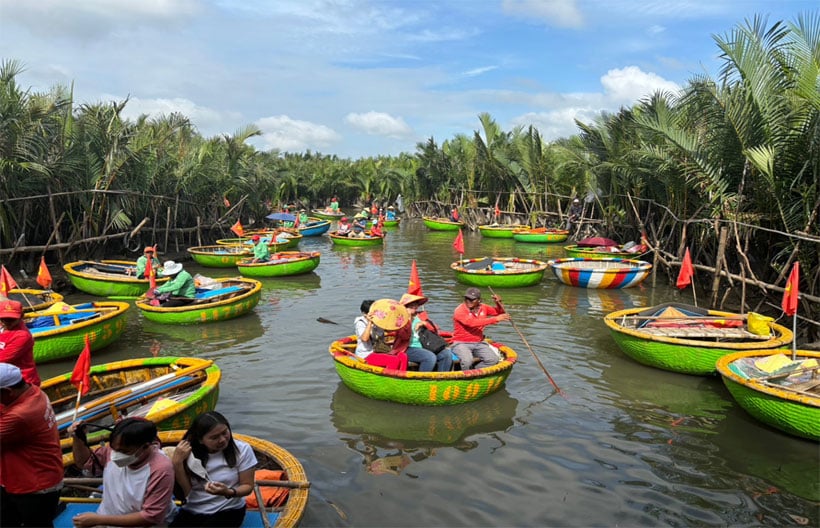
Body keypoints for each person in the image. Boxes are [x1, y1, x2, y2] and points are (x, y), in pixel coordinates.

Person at [69, 417, 176, 527]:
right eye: (114, 449)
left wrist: (99, 520)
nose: (116, 455)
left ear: (145, 446)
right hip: (106, 519)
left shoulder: (161, 469)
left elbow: (150, 516)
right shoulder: (113, 449)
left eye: (124, 451)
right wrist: (77, 438)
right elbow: (85, 463)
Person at [0, 363, 63, 528]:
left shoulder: (19, 415)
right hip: (18, 476)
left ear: (7, 392)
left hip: (35, 485)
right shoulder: (33, 390)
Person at [170, 412, 257, 528]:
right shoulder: (188, 453)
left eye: (225, 433)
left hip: (228, 510)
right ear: (200, 440)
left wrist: (228, 492)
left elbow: (247, 486)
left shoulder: (242, 450)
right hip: (192, 510)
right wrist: (177, 463)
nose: (222, 440)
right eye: (214, 437)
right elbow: (186, 493)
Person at [451, 287, 510, 371]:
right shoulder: (459, 310)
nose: (469, 301)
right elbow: (471, 323)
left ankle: (475, 371)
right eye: (467, 298)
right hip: (461, 343)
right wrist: (495, 319)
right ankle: (466, 375)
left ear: (479, 300)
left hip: (479, 342)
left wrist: (498, 302)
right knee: (467, 361)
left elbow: (499, 312)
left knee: (493, 359)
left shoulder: (483, 307)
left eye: (472, 299)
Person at [399, 293, 452, 372]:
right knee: (430, 357)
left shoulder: (421, 316)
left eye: (415, 304)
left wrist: (424, 323)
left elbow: (435, 330)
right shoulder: (400, 319)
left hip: (424, 345)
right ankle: (422, 380)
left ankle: (441, 378)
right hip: (408, 348)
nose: (414, 307)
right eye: (410, 305)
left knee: (446, 354)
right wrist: (408, 320)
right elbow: (402, 336)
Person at [354, 300, 407, 370]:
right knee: (394, 360)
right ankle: (389, 378)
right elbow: (365, 339)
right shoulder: (360, 322)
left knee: (403, 356)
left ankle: (401, 376)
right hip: (366, 354)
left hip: (379, 350)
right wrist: (370, 322)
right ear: (364, 314)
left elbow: (388, 329)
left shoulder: (378, 319)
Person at [0, 299, 39, 386]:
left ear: (21, 316)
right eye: (4, 319)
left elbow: (1, 359)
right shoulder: (2, 326)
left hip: (21, 383)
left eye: (11, 319)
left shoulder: (22, 336)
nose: (7, 322)